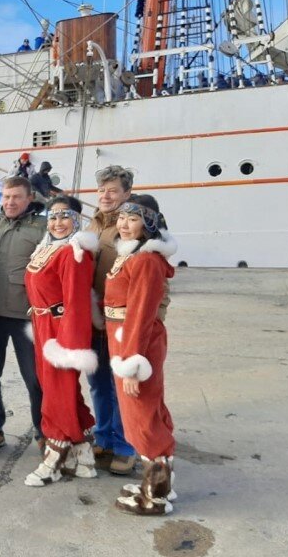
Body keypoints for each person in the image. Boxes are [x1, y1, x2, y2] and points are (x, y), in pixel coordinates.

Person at [105, 194, 177, 515]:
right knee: (143, 412)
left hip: (137, 346)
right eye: (122, 217)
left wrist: (133, 364)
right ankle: (157, 484)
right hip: (125, 340)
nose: (124, 224)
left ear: (148, 225)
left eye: (133, 219)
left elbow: (140, 313)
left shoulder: (145, 260)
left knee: (142, 416)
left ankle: (156, 496)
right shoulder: (132, 254)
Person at [23, 196, 99, 486]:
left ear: (77, 221)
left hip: (60, 330)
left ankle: (55, 456)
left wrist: (68, 347)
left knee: (58, 392)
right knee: (59, 390)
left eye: (64, 217)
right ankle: (84, 455)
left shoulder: (73, 253)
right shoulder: (47, 248)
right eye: (52, 217)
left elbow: (77, 303)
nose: (57, 223)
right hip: (43, 324)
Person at [0, 177, 46, 455]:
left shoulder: (43, 228)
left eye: (16, 197)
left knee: (34, 379)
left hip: (26, 315)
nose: (10, 202)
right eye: (6, 197)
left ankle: (44, 433)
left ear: (29, 198)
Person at [87, 165, 137, 475]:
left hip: (121, 321)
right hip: (93, 319)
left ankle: (124, 445)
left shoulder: (135, 226)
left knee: (123, 387)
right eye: (102, 190)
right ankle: (103, 437)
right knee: (98, 384)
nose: (106, 195)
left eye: (113, 190)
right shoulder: (93, 224)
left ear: (127, 193)